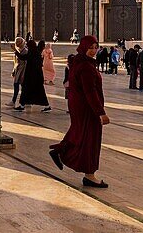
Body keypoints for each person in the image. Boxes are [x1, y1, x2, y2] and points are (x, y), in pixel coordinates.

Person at [49, 36, 109, 188]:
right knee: (90, 139)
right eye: (91, 47)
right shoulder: (86, 67)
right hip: (87, 108)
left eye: (96, 47)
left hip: (79, 106)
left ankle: (61, 150)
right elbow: (90, 92)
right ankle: (90, 175)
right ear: (84, 47)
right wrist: (100, 112)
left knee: (80, 133)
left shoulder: (79, 62)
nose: (94, 51)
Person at [15, 39, 51, 112]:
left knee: (27, 90)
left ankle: (22, 105)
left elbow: (23, 57)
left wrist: (15, 51)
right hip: (36, 76)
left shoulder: (32, 53)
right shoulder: (36, 52)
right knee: (37, 91)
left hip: (32, 77)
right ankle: (23, 105)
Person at [10, 37, 26, 106]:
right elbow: (16, 62)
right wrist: (14, 70)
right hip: (18, 70)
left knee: (23, 86)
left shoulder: (25, 51)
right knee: (16, 84)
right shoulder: (18, 50)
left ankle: (24, 101)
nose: (17, 43)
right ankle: (14, 101)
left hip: (23, 70)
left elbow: (23, 59)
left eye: (18, 42)